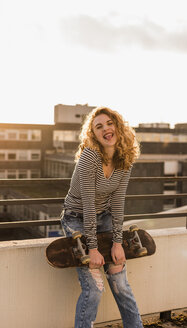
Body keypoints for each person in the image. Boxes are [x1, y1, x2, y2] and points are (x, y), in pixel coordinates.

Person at [61, 106, 143, 328]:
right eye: (99, 127)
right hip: (76, 217)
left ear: (117, 126)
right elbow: (87, 204)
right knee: (95, 288)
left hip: (104, 216)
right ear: (94, 134)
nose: (106, 129)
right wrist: (94, 249)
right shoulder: (89, 156)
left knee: (121, 283)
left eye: (109, 123)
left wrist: (118, 243)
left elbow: (117, 202)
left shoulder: (124, 158)